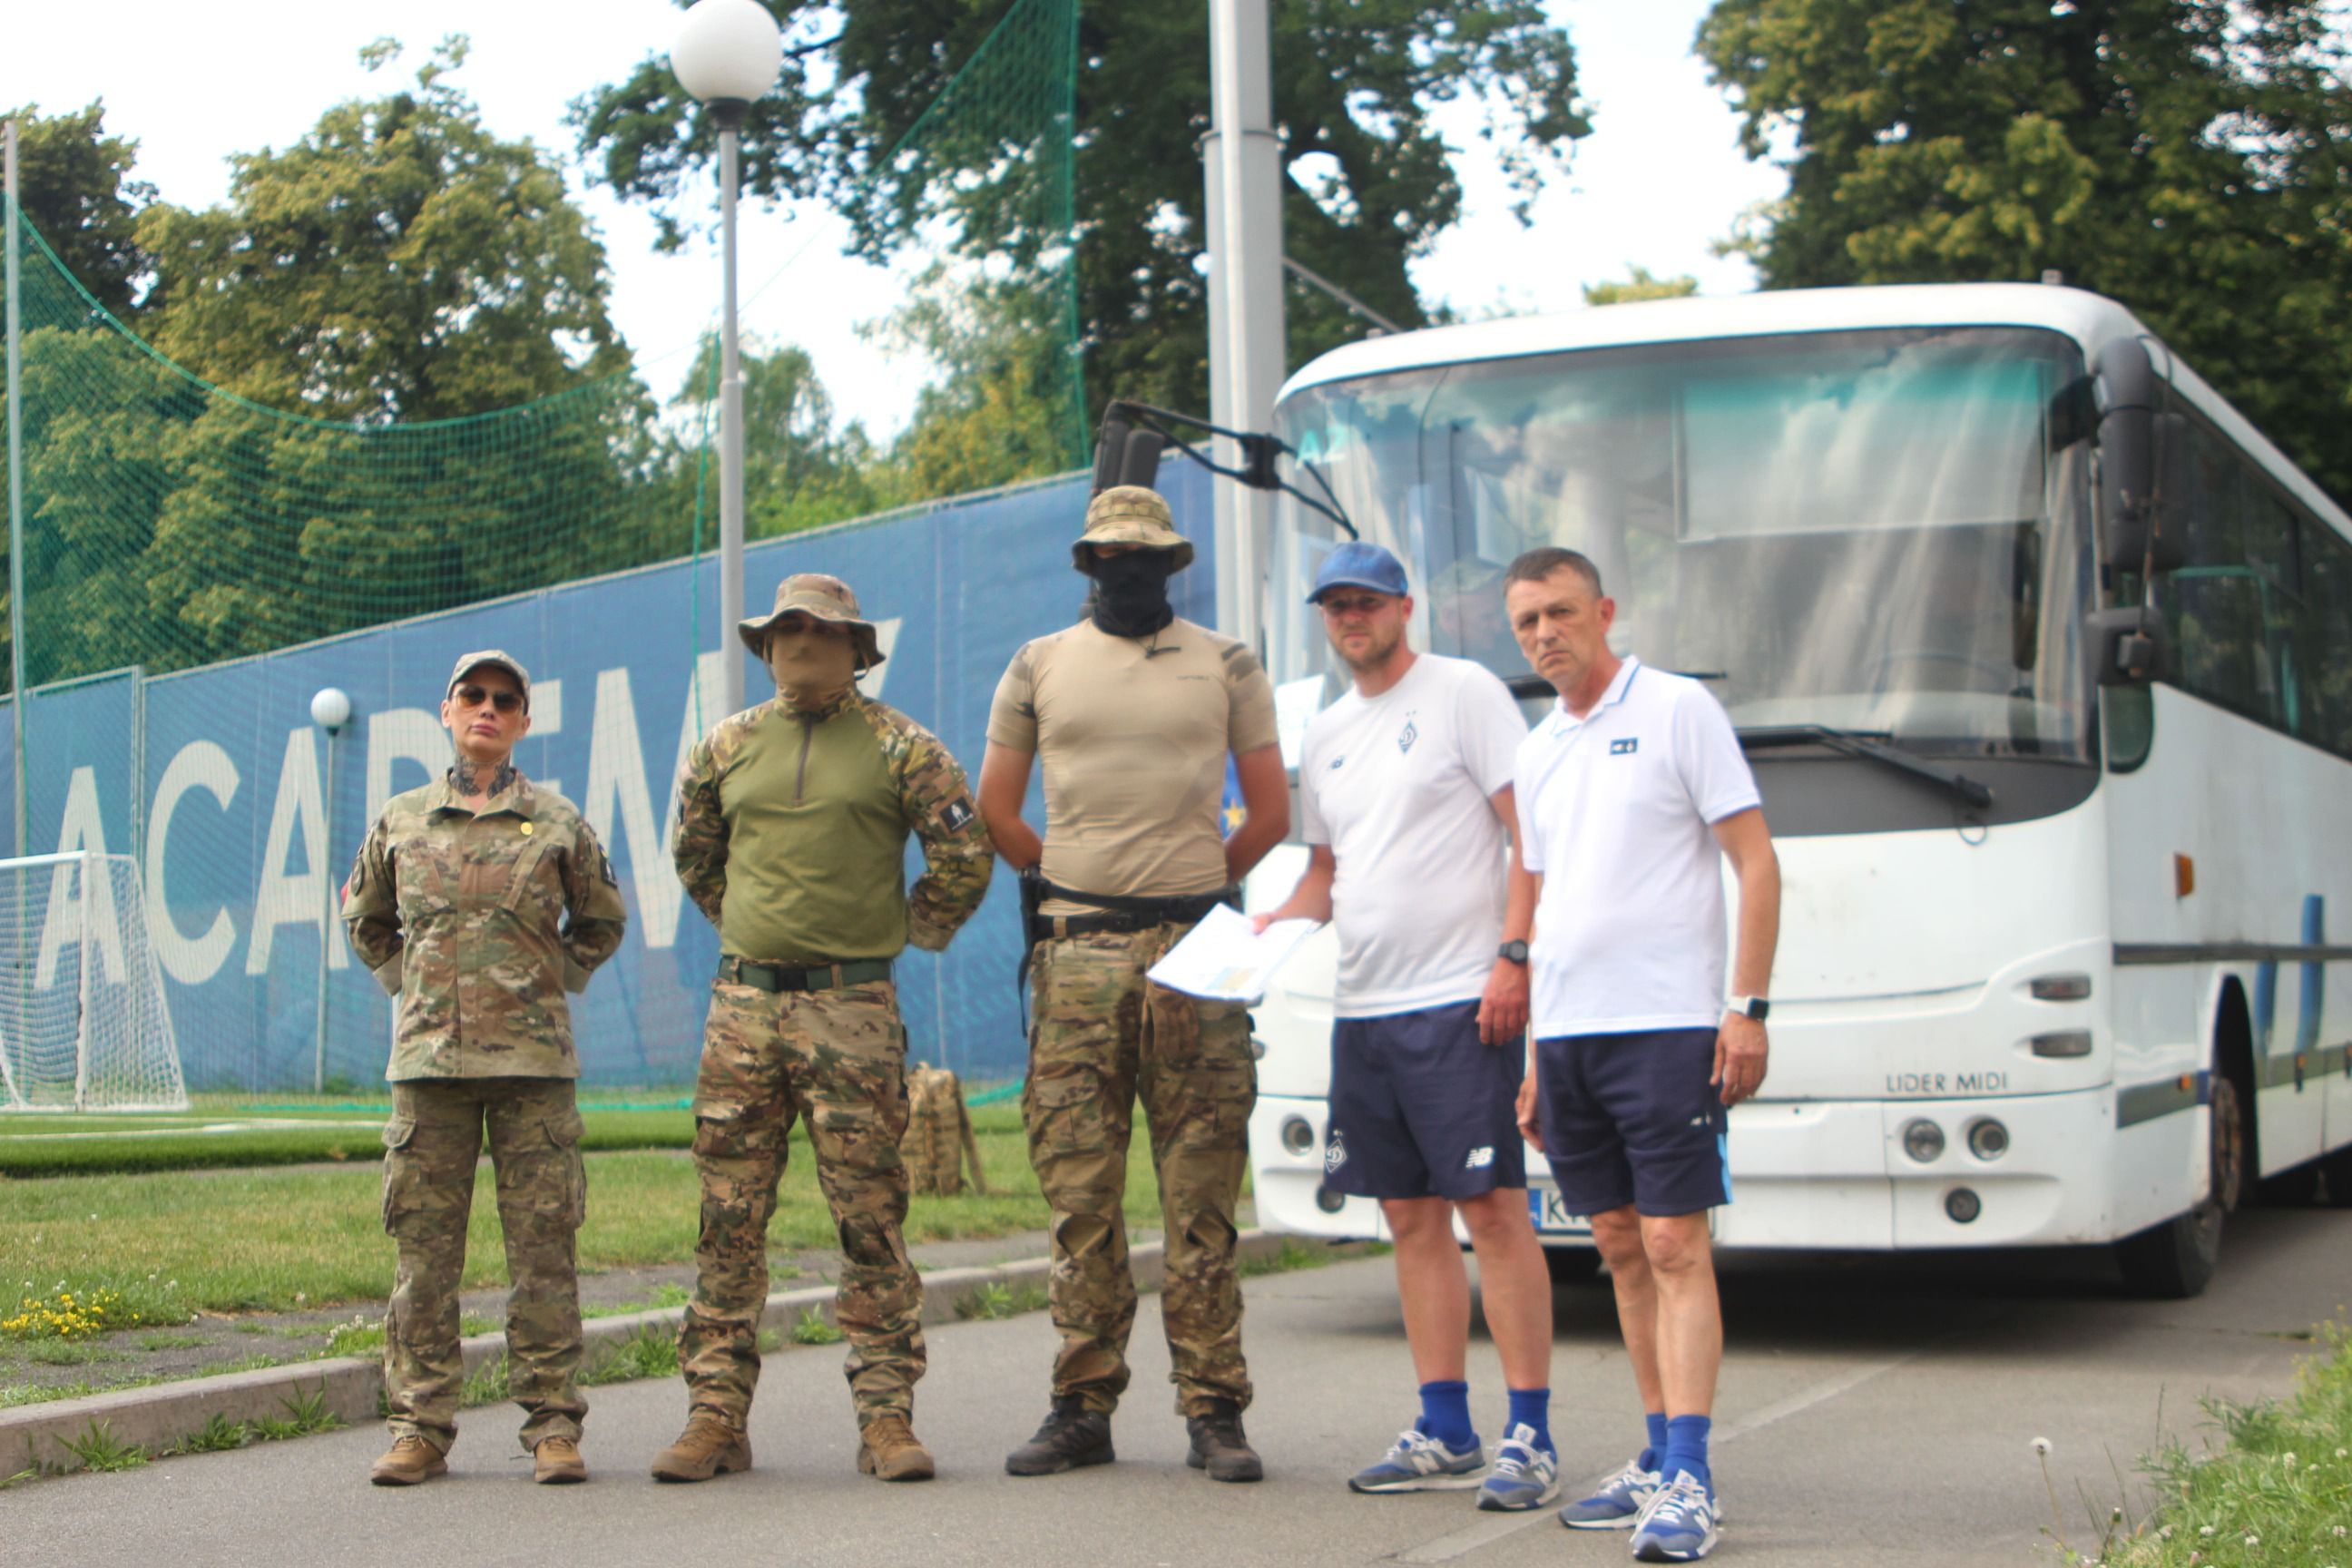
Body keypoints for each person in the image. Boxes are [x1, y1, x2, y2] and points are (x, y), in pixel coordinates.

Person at [976, 485, 1289, 1484]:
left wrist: (1194, 888)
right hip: (1076, 952)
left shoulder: (1227, 662)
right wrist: (1068, 885)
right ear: (1088, 566)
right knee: (1081, 1192)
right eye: (1113, 558)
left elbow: (1270, 814)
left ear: (1174, 563)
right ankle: (1081, 1404)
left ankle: (1215, 1410)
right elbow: (996, 809)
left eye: (1147, 557)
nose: (1131, 572)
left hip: (1204, 950)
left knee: (1201, 1197)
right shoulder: (1039, 664)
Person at [653, 573, 992, 1485]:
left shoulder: (901, 747)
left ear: (856, 648)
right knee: (728, 1220)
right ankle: (715, 1418)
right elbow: (694, 854)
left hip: (854, 1012)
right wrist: (753, 931)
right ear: (764, 648)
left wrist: (912, 929)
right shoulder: (723, 747)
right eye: (785, 628)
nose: (801, 641)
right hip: (743, 1012)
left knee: (870, 1220)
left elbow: (964, 850)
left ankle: (886, 1419)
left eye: (820, 629)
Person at [1251, 541, 1558, 1511]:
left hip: (1462, 1000)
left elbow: (1531, 835)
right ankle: (1445, 1425)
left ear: (1405, 608)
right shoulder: (1327, 731)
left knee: (1494, 1213)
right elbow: (1325, 878)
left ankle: (1531, 1436)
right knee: (1408, 1217)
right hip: (1368, 1013)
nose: (1352, 618)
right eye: (1336, 604)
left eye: (1368, 602)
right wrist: (1269, 928)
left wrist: (1514, 957)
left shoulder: (1463, 693)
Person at [1504, 546, 1780, 1563]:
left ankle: (1695, 1480)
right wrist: (1534, 1054)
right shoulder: (1537, 752)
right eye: (1528, 621)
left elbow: (1756, 860)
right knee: (1617, 1244)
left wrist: (1744, 1009)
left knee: (1674, 1246)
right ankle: (1661, 1454)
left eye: (1561, 614)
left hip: (1667, 1029)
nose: (1545, 635)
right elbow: (1539, 907)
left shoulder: (1676, 711)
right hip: (1568, 1037)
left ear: (1604, 611)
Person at [343, 650, 629, 1487]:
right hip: (428, 1070)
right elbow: (366, 917)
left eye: (507, 700)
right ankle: (419, 1428)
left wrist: (556, 979)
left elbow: (602, 920)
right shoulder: (402, 819)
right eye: (475, 696)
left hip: (533, 1068)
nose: (489, 710)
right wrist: (412, 988)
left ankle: (552, 1426)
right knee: (423, 1261)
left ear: (523, 722)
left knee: (543, 1253)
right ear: (448, 709)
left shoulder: (559, 821)